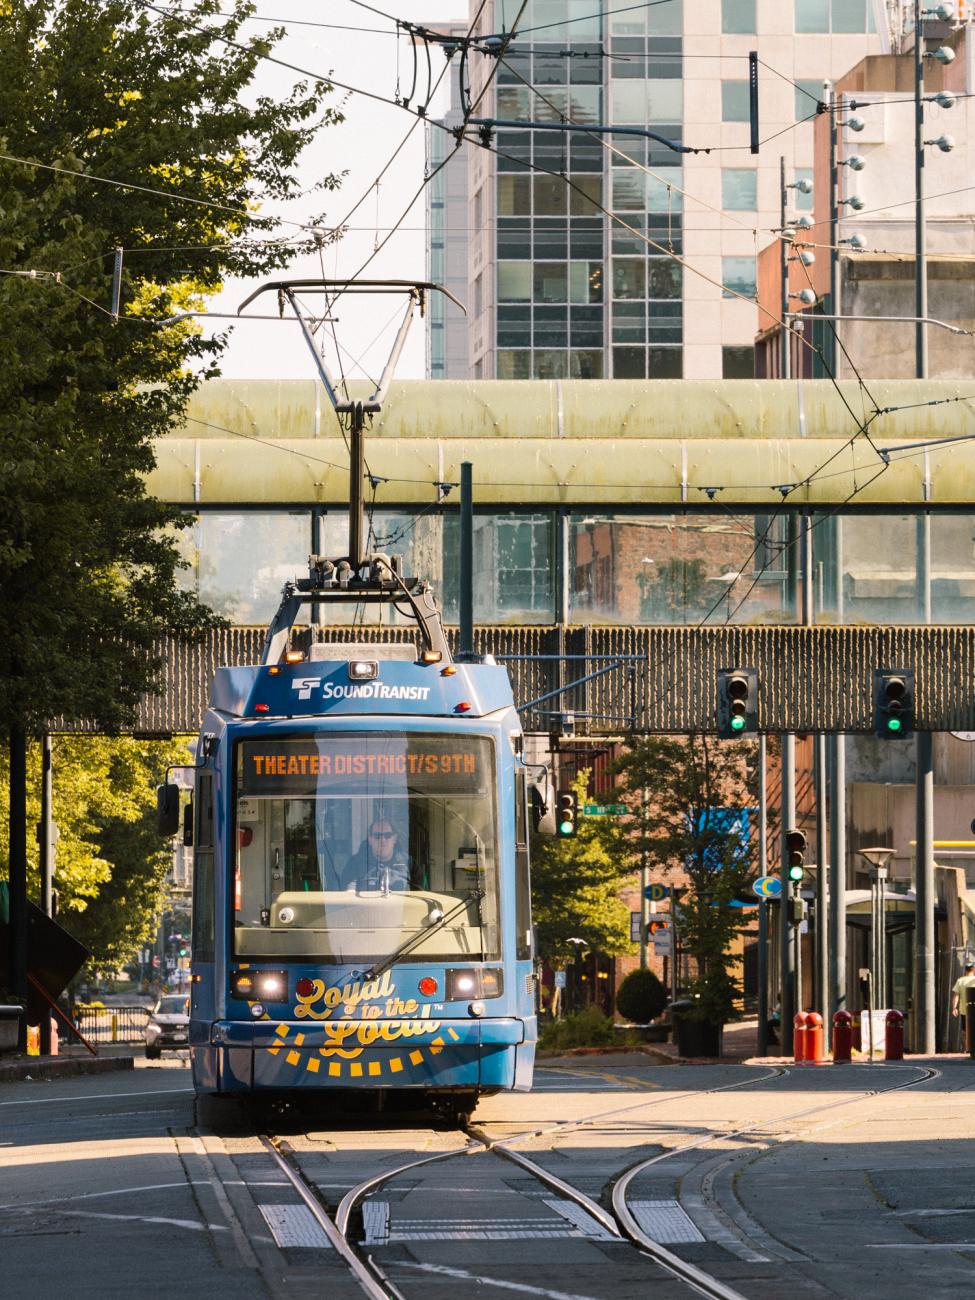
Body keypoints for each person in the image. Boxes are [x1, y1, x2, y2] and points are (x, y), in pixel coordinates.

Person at [340, 815, 412, 892]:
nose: (382, 840)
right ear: (370, 839)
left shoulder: (409, 863)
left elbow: (421, 894)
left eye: (387, 835)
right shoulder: (355, 864)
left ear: (394, 839)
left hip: (401, 904)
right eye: (377, 836)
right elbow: (349, 895)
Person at [951, 959, 975, 1041]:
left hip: (965, 1010)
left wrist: (954, 1007)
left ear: (965, 970)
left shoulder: (960, 980)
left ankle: (967, 1048)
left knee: (965, 1030)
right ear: (974, 969)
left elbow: (956, 995)